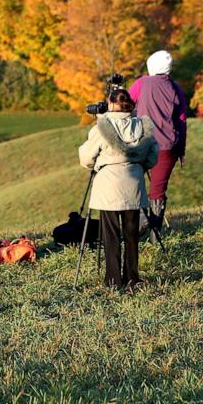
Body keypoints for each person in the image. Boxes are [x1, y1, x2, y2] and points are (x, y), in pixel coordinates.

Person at [78, 89, 159, 289]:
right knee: (131, 235)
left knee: (111, 235)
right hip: (134, 185)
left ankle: (113, 280)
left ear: (111, 104)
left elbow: (86, 157)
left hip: (108, 187)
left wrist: (98, 166)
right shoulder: (142, 125)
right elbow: (153, 154)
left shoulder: (101, 128)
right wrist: (139, 167)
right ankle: (132, 277)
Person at [128, 50, 188, 231]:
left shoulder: (142, 83)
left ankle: (136, 225)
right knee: (158, 190)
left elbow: (124, 105)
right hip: (168, 146)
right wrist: (181, 149)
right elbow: (182, 120)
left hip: (142, 144)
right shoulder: (176, 88)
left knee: (133, 182)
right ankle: (155, 235)